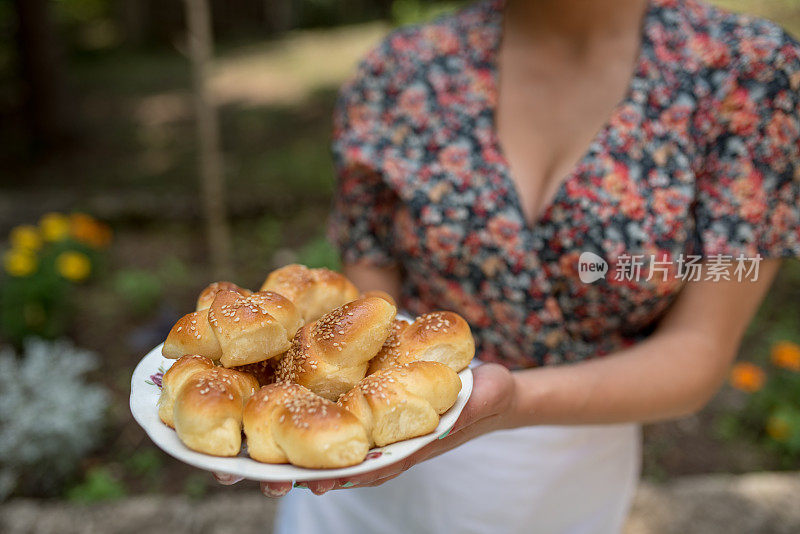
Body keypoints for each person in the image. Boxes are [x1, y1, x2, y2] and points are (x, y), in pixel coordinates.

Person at [214, 0, 800, 531]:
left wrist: (513, 401)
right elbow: (363, 318)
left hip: (571, 479)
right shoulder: (401, 72)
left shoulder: (749, 72)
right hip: (372, 470)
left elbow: (698, 349)